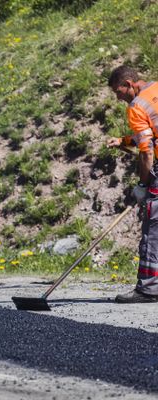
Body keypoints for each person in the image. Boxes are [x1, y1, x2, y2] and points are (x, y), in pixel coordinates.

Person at [107, 65, 158, 303]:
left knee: (153, 230)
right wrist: (125, 141)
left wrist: (142, 184)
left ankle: (148, 288)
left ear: (128, 84)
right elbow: (150, 135)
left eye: (119, 92)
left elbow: (147, 151)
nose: (119, 98)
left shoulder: (136, 106)